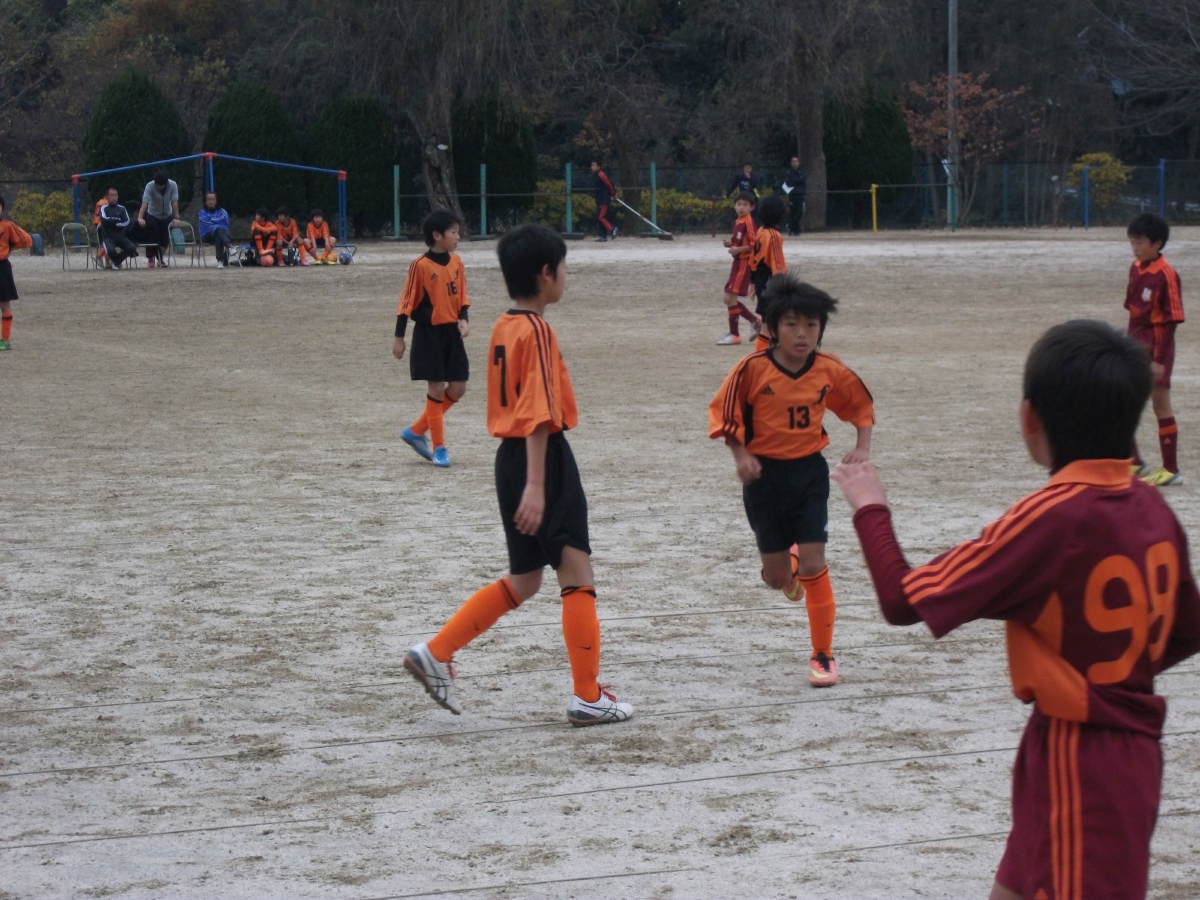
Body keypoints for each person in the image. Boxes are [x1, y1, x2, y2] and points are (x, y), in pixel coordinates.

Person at [830, 319, 1200, 900]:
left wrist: (869, 506)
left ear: (1030, 419)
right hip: (1117, 752)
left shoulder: (1051, 516)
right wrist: (1111, 666)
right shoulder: (1153, 508)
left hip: (1082, 759)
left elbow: (902, 600)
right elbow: (1186, 631)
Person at [403, 222, 633, 727]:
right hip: (540, 458)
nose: (566, 276)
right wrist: (537, 484)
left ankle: (436, 651)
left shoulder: (504, 325)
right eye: (564, 267)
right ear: (546, 274)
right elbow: (539, 413)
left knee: (526, 579)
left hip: (508, 458)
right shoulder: (538, 330)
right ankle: (588, 695)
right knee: (576, 573)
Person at [709, 275, 874, 686]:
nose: (802, 334)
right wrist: (741, 455)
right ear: (771, 326)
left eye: (811, 325)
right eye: (792, 324)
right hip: (764, 478)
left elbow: (859, 403)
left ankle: (823, 655)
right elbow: (726, 415)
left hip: (808, 474)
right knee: (777, 578)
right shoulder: (751, 369)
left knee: (817, 564)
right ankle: (789, 569)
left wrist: (862, 445)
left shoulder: (829, 369)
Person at [394, 209, 470, 468]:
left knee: (458, 387)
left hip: (452, 334)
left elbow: (462, 296)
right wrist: (399, 337)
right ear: (437, 236)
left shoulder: (457, 262)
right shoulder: (420, 265)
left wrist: (463, 318)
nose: (458, 236)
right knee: (436, 388)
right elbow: (406, 302)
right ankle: (439, 448)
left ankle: (416, 431)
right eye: (453, 232)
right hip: (429, 335)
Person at [1125, 213, 1184, 486]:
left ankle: (1170, 469)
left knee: (1160, 404)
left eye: (1140, 242)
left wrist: (1159, 360)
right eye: (1132, 242)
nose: (1135, 248)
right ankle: (1133, 460)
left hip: (1157, 346)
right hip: (1135, 342)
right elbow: (1133, 310)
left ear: (1157, 243)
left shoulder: (1167, 275)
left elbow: (1171, 321)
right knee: (1125, 399)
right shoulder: (1136, 268)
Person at [717, 191, 759, 345]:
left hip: (744, 263)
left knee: (730, 298)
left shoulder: (749, 223)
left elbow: (755, 245)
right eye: (739, 204)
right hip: (737, 263)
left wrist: (738, 250)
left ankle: (735, 334)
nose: (741, 207)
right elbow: (741, 242)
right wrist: (731, 244)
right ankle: (754, 321)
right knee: (727, 298)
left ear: (752, 207)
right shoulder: (739, 221)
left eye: (745, 205)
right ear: (734, 206)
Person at [748, 194, 787, 351]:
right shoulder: (774, 235)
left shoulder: (761, 231)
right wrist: (782, 287)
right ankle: (760, 356)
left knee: (771, 323)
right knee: (770, 326)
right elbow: (777, 264)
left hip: (760, 279)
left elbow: (753, 258)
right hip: (770, 283)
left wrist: (752, 282)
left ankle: (770, 352)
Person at [0, 195, 33, 351]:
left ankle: (5, 340)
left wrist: (9, 249)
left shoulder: (7, 226)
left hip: (2, 268)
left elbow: (26, 240)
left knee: (4, 304)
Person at [136, 170, 180, 268]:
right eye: (157, 185)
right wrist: (140, 217)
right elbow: (145, 202)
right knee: (152, 237)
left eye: (162, 185)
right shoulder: (150, 186)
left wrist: (176, 217)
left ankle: (161, 259)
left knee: (165, 239)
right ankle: (151, 257)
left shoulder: (173, 185)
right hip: (153, 214)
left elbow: (174, 202)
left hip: (167, 214)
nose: (159, 187)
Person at [96, 187, 138, 270]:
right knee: (111, 250)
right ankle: (116, 262)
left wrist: (113, 222)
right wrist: (118, 220)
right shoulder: (103, 208)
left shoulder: (122, 208)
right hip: (108, 236)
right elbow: (104, 221)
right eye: (111, 195)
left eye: (115, 195)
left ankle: (116, 261)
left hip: (120, 236)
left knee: (132, 247)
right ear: (107, 197)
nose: (114, 197)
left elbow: (127, 222)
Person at [197, 192, 232, 268]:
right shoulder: (202, 213)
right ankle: (229, 247)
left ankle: (219, 261)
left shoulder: (222, 211)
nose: (211, 201)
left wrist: (213, 221)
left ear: (216, 201)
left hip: (221, 235)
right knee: (218, 228)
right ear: (205, 201)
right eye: (209, 200)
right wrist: (217, 223)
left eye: (213, 199)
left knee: (218, 236)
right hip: (208, 234)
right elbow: (205, 222)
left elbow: (225, 221)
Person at [590, 160, 618, 241]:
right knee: (599, 218)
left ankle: (613, 229)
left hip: (604, 200)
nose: (592, 167)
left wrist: (613, 194)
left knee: (601, 217)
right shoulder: (597, 175)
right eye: (592, 165)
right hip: (600, 199)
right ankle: (603, 236)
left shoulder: (601, 175)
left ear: (598, 167)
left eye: (594, 165)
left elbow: (609, 184)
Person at [781, 156, 807, 235]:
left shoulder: (802, 171)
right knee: (793, 212)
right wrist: (796, 181)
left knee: (800, 211)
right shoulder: (789, 172)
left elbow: (802, 180)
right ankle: (796, 230)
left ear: (799, 162)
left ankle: (790, 225)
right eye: (793, 161)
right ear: (791, 163)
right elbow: (788, 182)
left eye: (796, 161)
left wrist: (794, 181)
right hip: (792, 194)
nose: (795, 163)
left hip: (800, 194)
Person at [92, 196, 109, 268]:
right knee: (107, 242)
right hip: (102, 223)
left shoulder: (100, 201)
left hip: (97, 222)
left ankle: (107, 262)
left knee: (103, 243)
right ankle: (99, 256)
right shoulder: (105, 202)